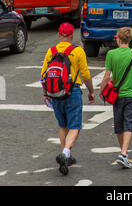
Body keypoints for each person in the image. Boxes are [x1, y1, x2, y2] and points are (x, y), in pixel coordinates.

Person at [41, 23, 95, 176]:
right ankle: (65, 153)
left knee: (63, 125)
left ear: (59, 35)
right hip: (73, 92)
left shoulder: (51, 51)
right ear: (72, 36)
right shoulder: (77, 51)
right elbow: (85, 74)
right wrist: (91, 91)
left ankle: (66, 156)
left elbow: (44, 75)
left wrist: (46, 94)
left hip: (55, 94)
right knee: (75, 126)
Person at [99, 27, 132, 169]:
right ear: (129, 40)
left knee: (119, 124)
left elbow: (107, 76)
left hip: (117, 95)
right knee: (129, 123)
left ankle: (124, 152)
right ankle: (124, 153)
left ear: (118, 39)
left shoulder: (111, 54)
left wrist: (101, 90)